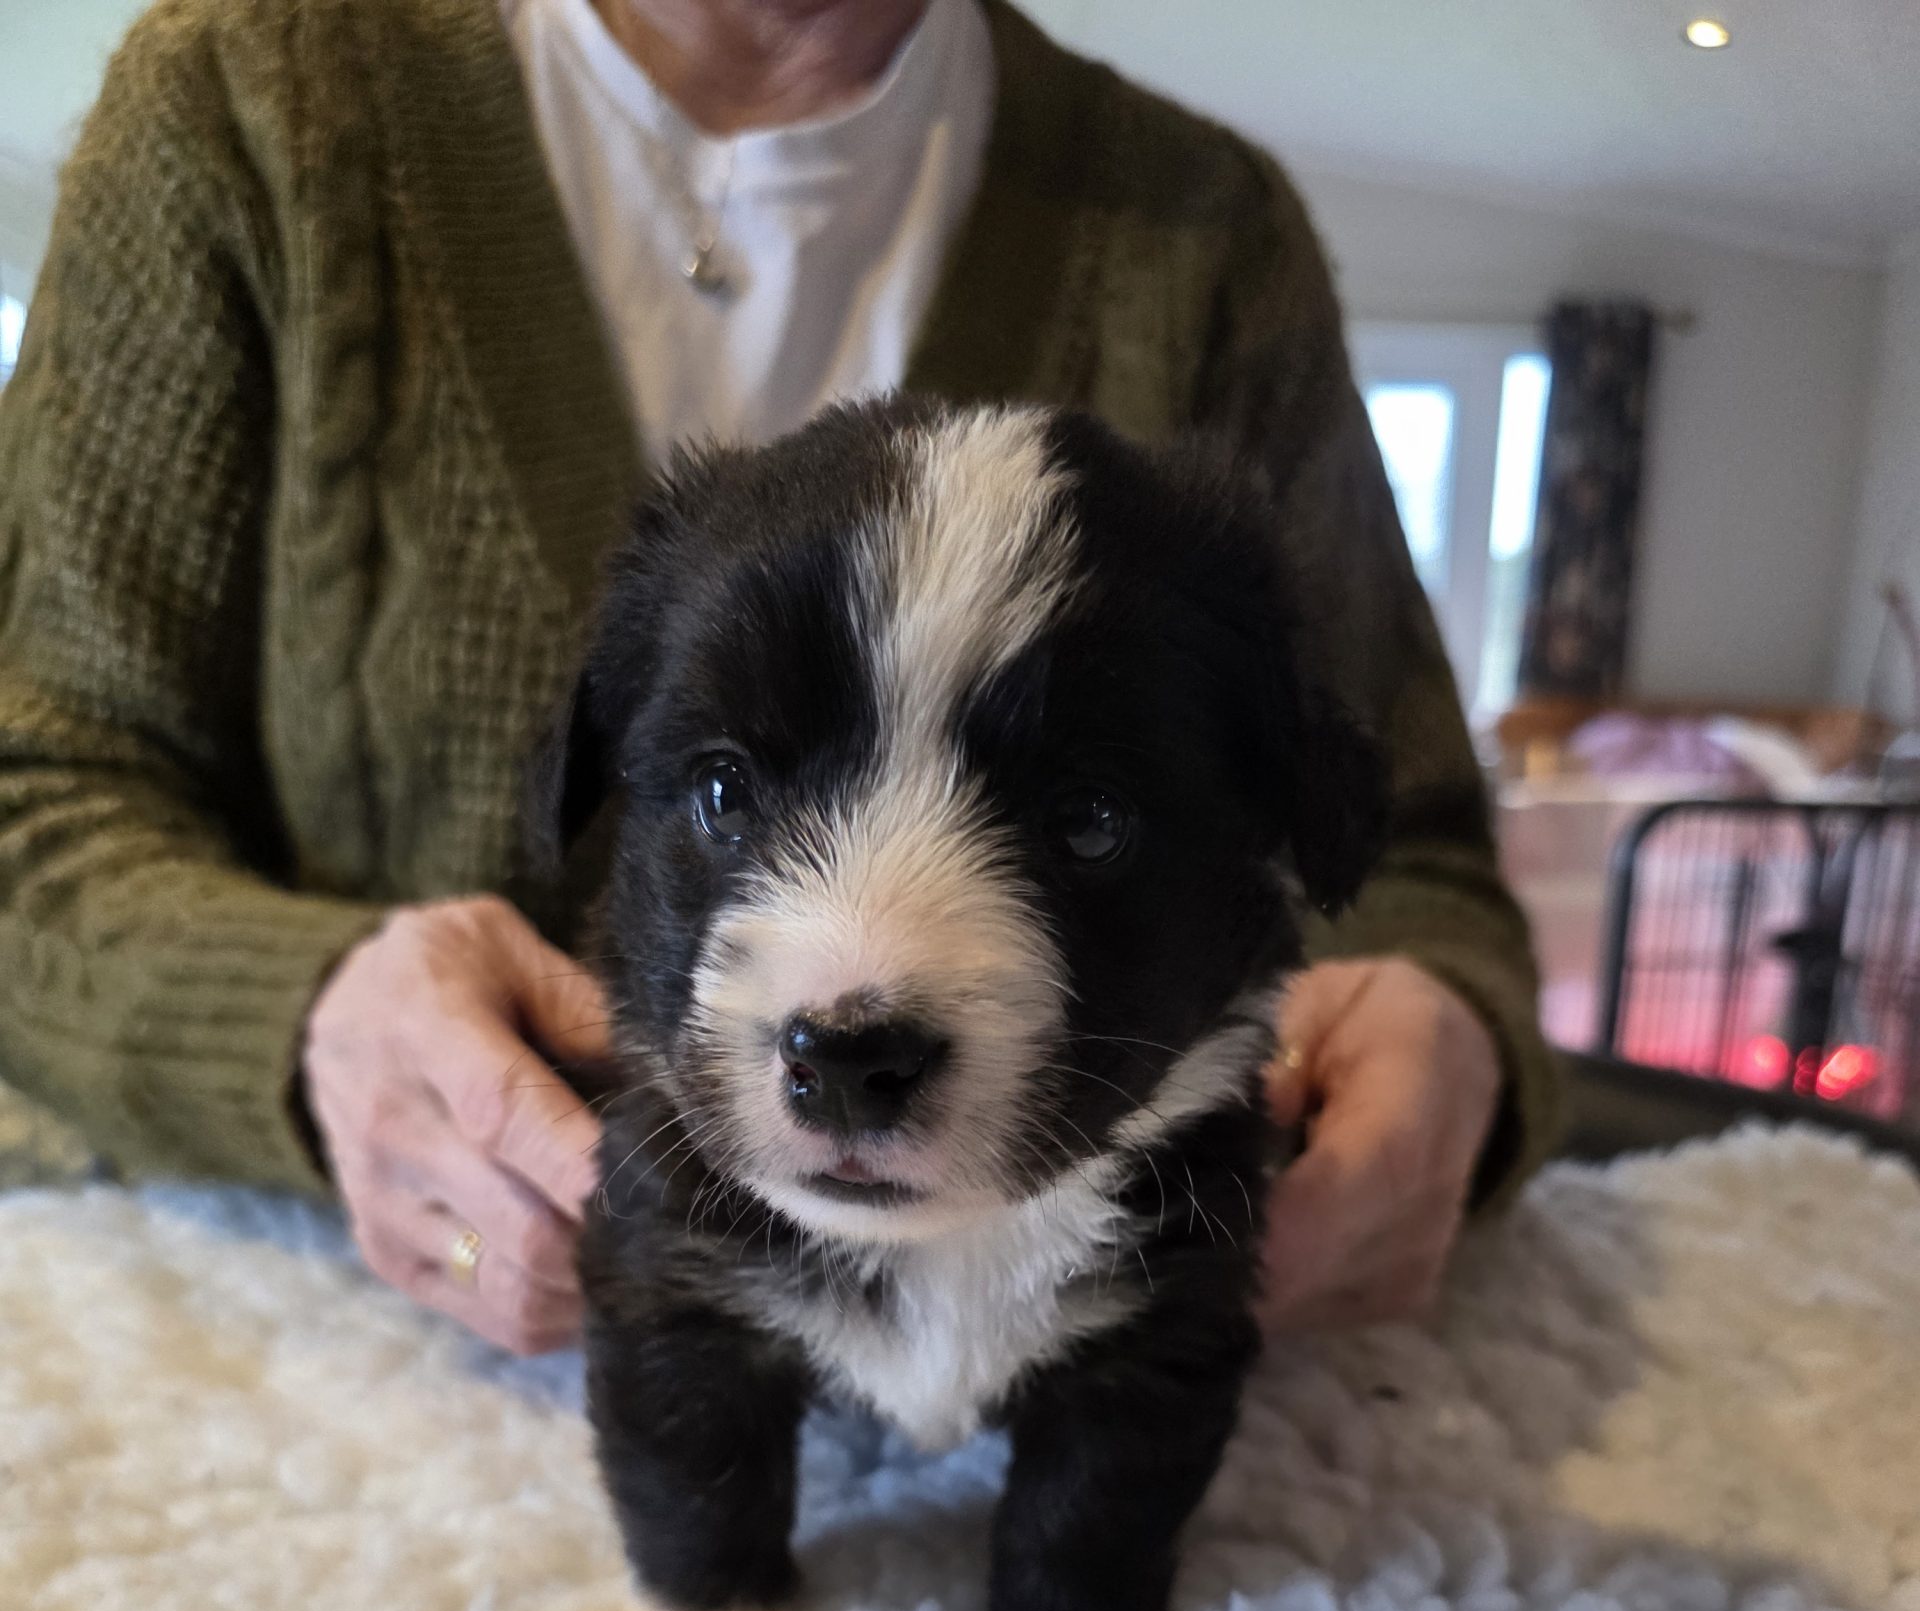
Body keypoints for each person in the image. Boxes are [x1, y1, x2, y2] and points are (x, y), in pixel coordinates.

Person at [0, 0, 1554, 1358]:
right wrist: (296, 1016)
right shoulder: (242, 105)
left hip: (1059, 1335)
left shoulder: (1208, 233)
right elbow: (35, 798)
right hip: (329, 1333)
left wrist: (1442, 1039)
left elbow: (1394, 838)